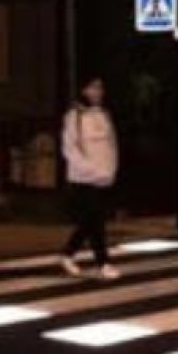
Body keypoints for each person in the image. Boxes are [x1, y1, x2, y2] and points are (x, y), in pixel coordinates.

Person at [60, 77, 120, 279]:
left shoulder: (104, 114)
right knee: (96, 220)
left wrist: (111, 169)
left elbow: (111, 145)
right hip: (82, 178)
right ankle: (104, 263)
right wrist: (90, 170)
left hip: (103, 177)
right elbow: (70, 148)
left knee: (91, 220)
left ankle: (68, 253)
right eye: (93, 87)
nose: (98, 92)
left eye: (100, 87)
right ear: (83, 90)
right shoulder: (74, 116)